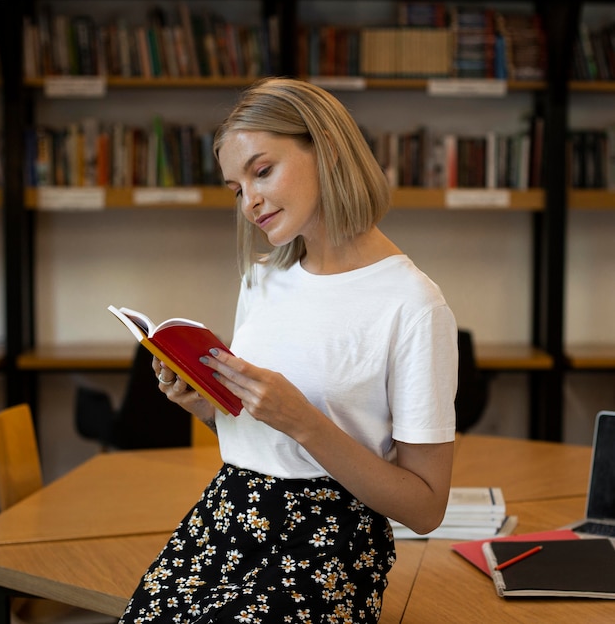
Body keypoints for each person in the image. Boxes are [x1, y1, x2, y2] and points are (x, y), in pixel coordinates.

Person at [119, 77, 457, 623]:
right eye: (236, 188)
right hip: (227, 512)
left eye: (262, 170)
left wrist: (305, 422)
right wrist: (209, 408)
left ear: (324, 146)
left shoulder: (414, 305)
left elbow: (425, 507)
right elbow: (265, 444)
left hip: (327, 540)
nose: (249, 201)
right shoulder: (262, 280)